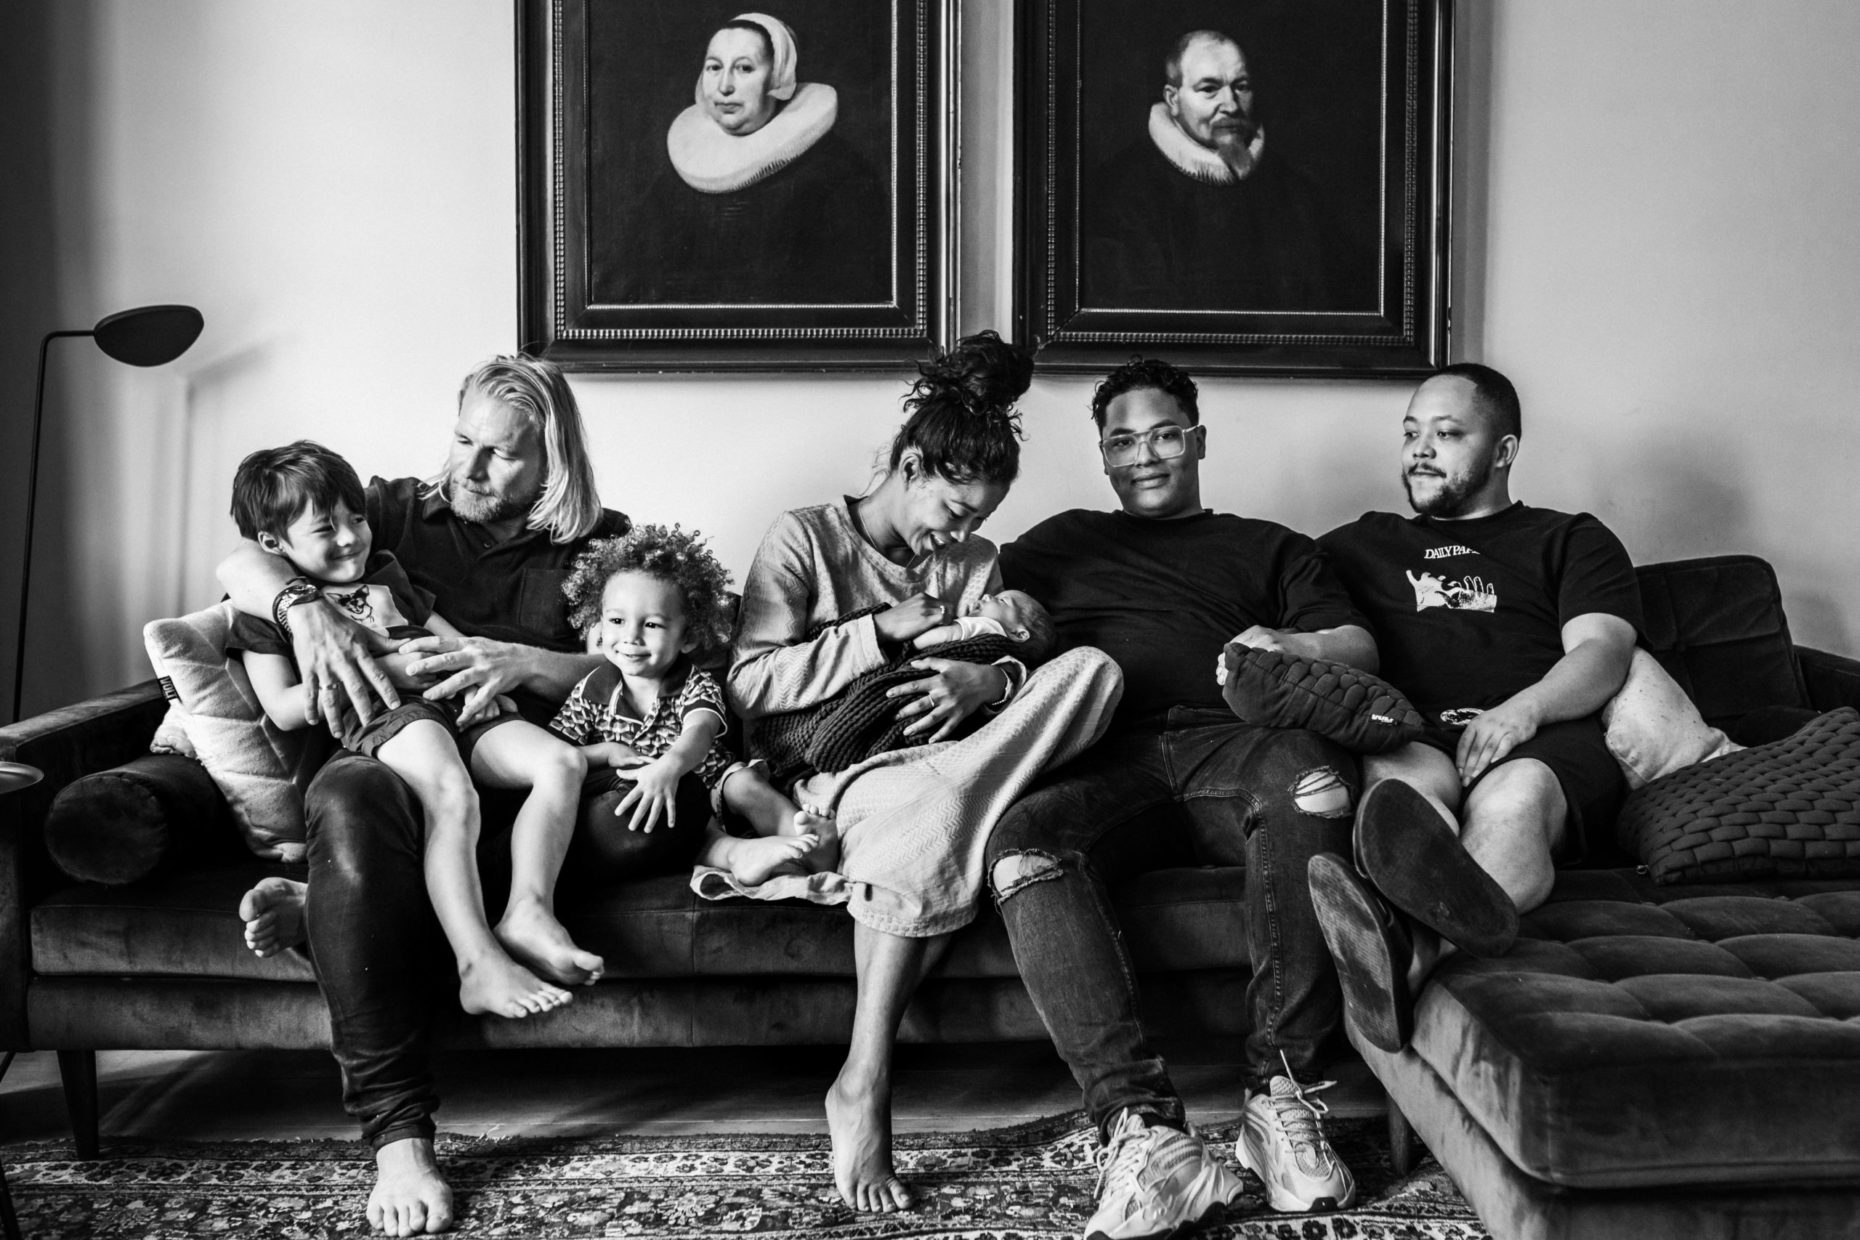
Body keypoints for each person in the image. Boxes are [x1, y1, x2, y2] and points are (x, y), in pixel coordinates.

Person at [222, 355, 627, 1238]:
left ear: (553, 459)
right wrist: (304, 610)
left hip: (491, 730)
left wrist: (524, 663)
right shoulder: (391, 509)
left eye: (500, 453)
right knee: (367, 803)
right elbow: (242, 559)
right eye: (462, 440)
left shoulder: (604, 544)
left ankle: (345, 903)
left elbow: (633, 667)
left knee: (595, 789)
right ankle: (399, 1133)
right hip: (385, 739)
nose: (468, 468)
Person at [725, 331, 1123, 1213]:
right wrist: (876, 634)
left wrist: (993, 678)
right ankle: (864, 1081)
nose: (964, 534)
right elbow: (749, 687)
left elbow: (1001, 648)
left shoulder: (972, 563)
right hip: (839, 772)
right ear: (910, 466)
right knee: (934, 804)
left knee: (1094, 674)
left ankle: (960, 805)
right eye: (954, 508)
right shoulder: (804, 538)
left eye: (979, 519)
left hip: (952, 754)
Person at [990, 357, 1378, 1233]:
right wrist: (997, 623)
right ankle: (1146, 1135)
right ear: (1102, 455)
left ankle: (1279, 1098)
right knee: (1022, 847)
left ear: (1198, 440)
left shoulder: (1272, 546)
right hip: (1104, 757)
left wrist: (1294, 644)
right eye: (1123, 442)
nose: (1145, 456)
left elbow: (1358, 646)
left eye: (1164, 435)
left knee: (1315, 783)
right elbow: (982, 610)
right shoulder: (1053, 545)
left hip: (1237, 744)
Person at [1311, 363, 1643, 1053]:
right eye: (1411, 433)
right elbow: (1277, 596)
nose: (1420, 450)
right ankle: (1422, 945)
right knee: (1399, 798)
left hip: (1542, 739)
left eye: (1447, 433)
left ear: (1503, 450)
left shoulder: (1568, 538)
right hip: (1413, 733)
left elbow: (1603, 651)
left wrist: (1524, 711)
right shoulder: (1359, 546)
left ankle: (1413, 951)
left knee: (1513, 801)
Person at [226, 441, 602, 1021]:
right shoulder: (267, 613)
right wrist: (387, 671)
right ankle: (477, 964)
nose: (350, 538)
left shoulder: (384, 573)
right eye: (325, 529)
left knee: (561, 763)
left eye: (357, 519)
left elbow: (450, 641)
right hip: (390, 713)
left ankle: (529, 913)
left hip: (453, 699)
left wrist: (482, 678)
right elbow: (281, 707)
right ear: (274, 543)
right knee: (453, 796)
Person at [550, 523, 836, 884]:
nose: (630, 636)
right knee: (685, 829)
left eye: (652, 625)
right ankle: (743, 856)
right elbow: (557, 752)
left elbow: (699, 731)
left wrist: (670, 766)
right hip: (663, 801)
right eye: (617, 620)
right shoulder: (592, 690)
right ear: (598, 624)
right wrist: (605, 752)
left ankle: (807, 839)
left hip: (711, 780)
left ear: (686, 638)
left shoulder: (694, 682)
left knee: (745, 784)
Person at [607, 12, 888, 304]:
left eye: (744, 68)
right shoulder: (672, 183)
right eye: (714, 67)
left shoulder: (839, 175)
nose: (724, 86)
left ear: (778, 77)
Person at [1082, 30, 1366, 312]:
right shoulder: (1122, 191)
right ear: (1173, 99)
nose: (1231, 105)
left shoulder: (1293, 190)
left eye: (1241, 86)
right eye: (1209, 89)